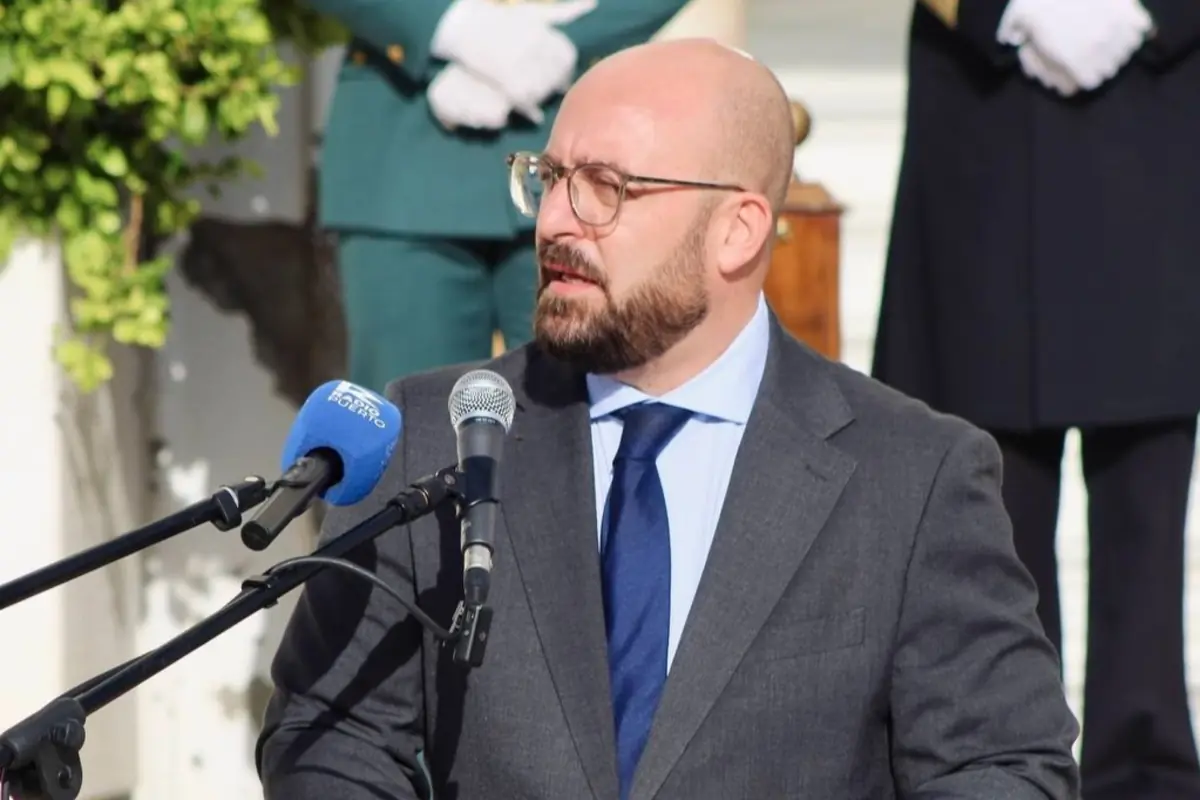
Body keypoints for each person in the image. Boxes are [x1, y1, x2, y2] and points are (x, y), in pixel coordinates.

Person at [257, 39, 1080, 800]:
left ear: (737, 230)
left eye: (606, 188)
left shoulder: (916, 474)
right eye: (548, 177)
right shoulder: (433, 433)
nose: (552, 222)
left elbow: (1004, 768)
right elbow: (329, 733)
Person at [872, 1, 1200, 796]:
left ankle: (1147, 770)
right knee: (985, 505)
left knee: (1147, 509)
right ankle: (1001, 762)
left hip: (1158, 105)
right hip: (983, 102)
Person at [302, 0, 694, 392]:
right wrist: (450, 27)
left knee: (593, 418)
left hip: (575, 151)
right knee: (410, 421)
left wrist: (567, 46)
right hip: (405, 145)